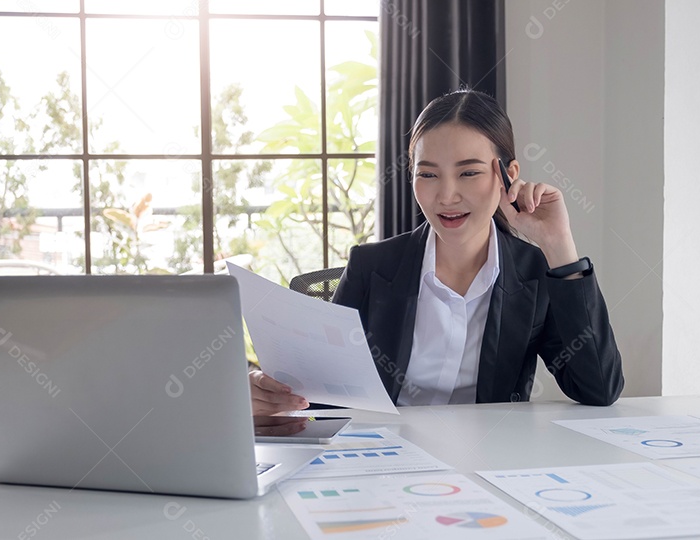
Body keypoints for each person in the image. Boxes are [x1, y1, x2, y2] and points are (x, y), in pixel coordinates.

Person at [250, 89, 624, 415]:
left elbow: (598, 389)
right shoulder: (373, 266)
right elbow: (323, 394)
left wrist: (559, 245)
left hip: (492, 460)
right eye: (428, 174)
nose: (446, 196)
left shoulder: (534, 273)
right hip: (388, 462)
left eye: (468, 173)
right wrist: (267, 393)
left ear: (508, 175)